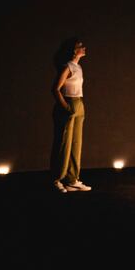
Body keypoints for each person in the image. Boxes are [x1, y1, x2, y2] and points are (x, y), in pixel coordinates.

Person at [50, 37, 92, 193]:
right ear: (74, 50)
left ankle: (72, 179)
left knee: (76, 143)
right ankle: (56, 179)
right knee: (64, 143)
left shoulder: (78, 67)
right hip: (69, 104)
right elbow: (55, 89)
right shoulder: (67, 67)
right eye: (81, 46)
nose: (84, 47)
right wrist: (66, 107)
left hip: (79, 103)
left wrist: (76, 107)